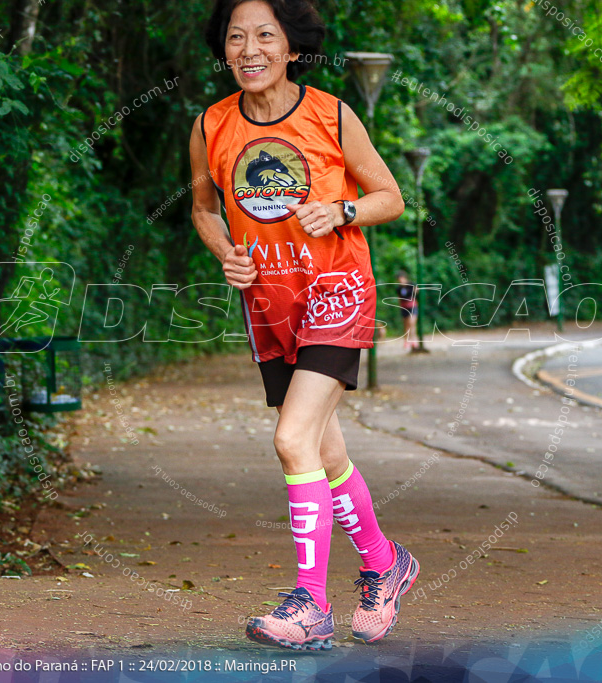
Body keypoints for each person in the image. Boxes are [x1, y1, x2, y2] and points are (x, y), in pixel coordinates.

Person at [191, 0, 418, 651]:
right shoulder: (211, 125)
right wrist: (225, 251)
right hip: (270, 302)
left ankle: (311, 603)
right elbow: (205, 206)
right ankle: (384, 562)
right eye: (236, 37)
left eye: (266, 35)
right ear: (224, 48)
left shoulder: (331, 114)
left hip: (336, 291)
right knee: (324, 449)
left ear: (292, 48)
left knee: (292, 437)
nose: (249, 48)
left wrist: (343, 208)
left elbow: (390, 196)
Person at [396, 270, 418, 349]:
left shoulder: (411, 285)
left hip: (412, 306)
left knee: (412, 323)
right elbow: (399, 298)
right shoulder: (399, 288)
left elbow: (416, 292)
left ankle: (414, 340)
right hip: (404, 307)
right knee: (406, 325)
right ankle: (406, 341)